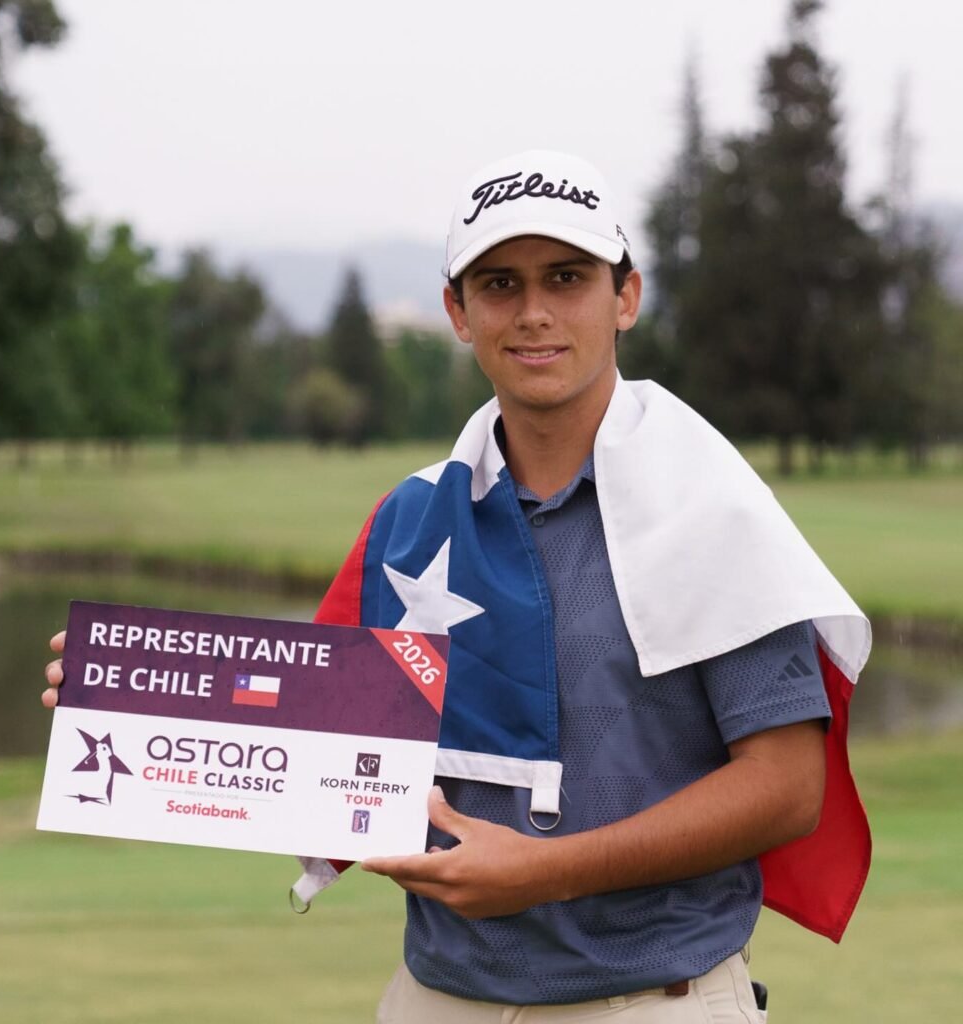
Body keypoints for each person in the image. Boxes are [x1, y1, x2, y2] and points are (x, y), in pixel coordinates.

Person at [44, 150, 871, 1023]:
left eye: (566, 278)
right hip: (437, 999)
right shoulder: (409, 522)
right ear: (458, 312)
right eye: (499, 284)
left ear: (625, 298)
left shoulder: (710, 509)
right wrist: (139, 699)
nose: (534, 312)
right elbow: (315, 755)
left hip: (653, 1003)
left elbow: (786, 787)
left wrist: (545, 871)